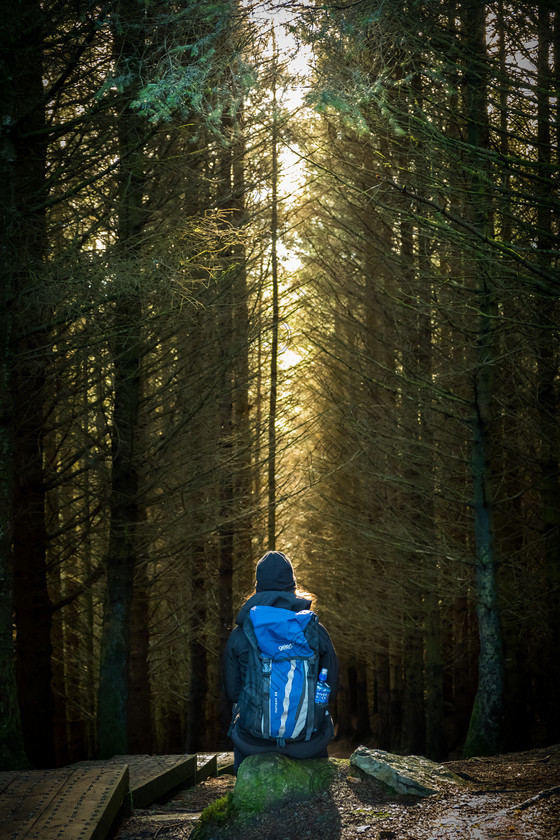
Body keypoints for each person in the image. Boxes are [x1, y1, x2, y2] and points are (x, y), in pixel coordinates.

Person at [223, 550, 339, 773]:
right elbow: (330, 688)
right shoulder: (314, 630)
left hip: (253, 745)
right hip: (308, 743)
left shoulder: (240, 634)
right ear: (292, 586)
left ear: (258, 587)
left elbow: (232, 692)